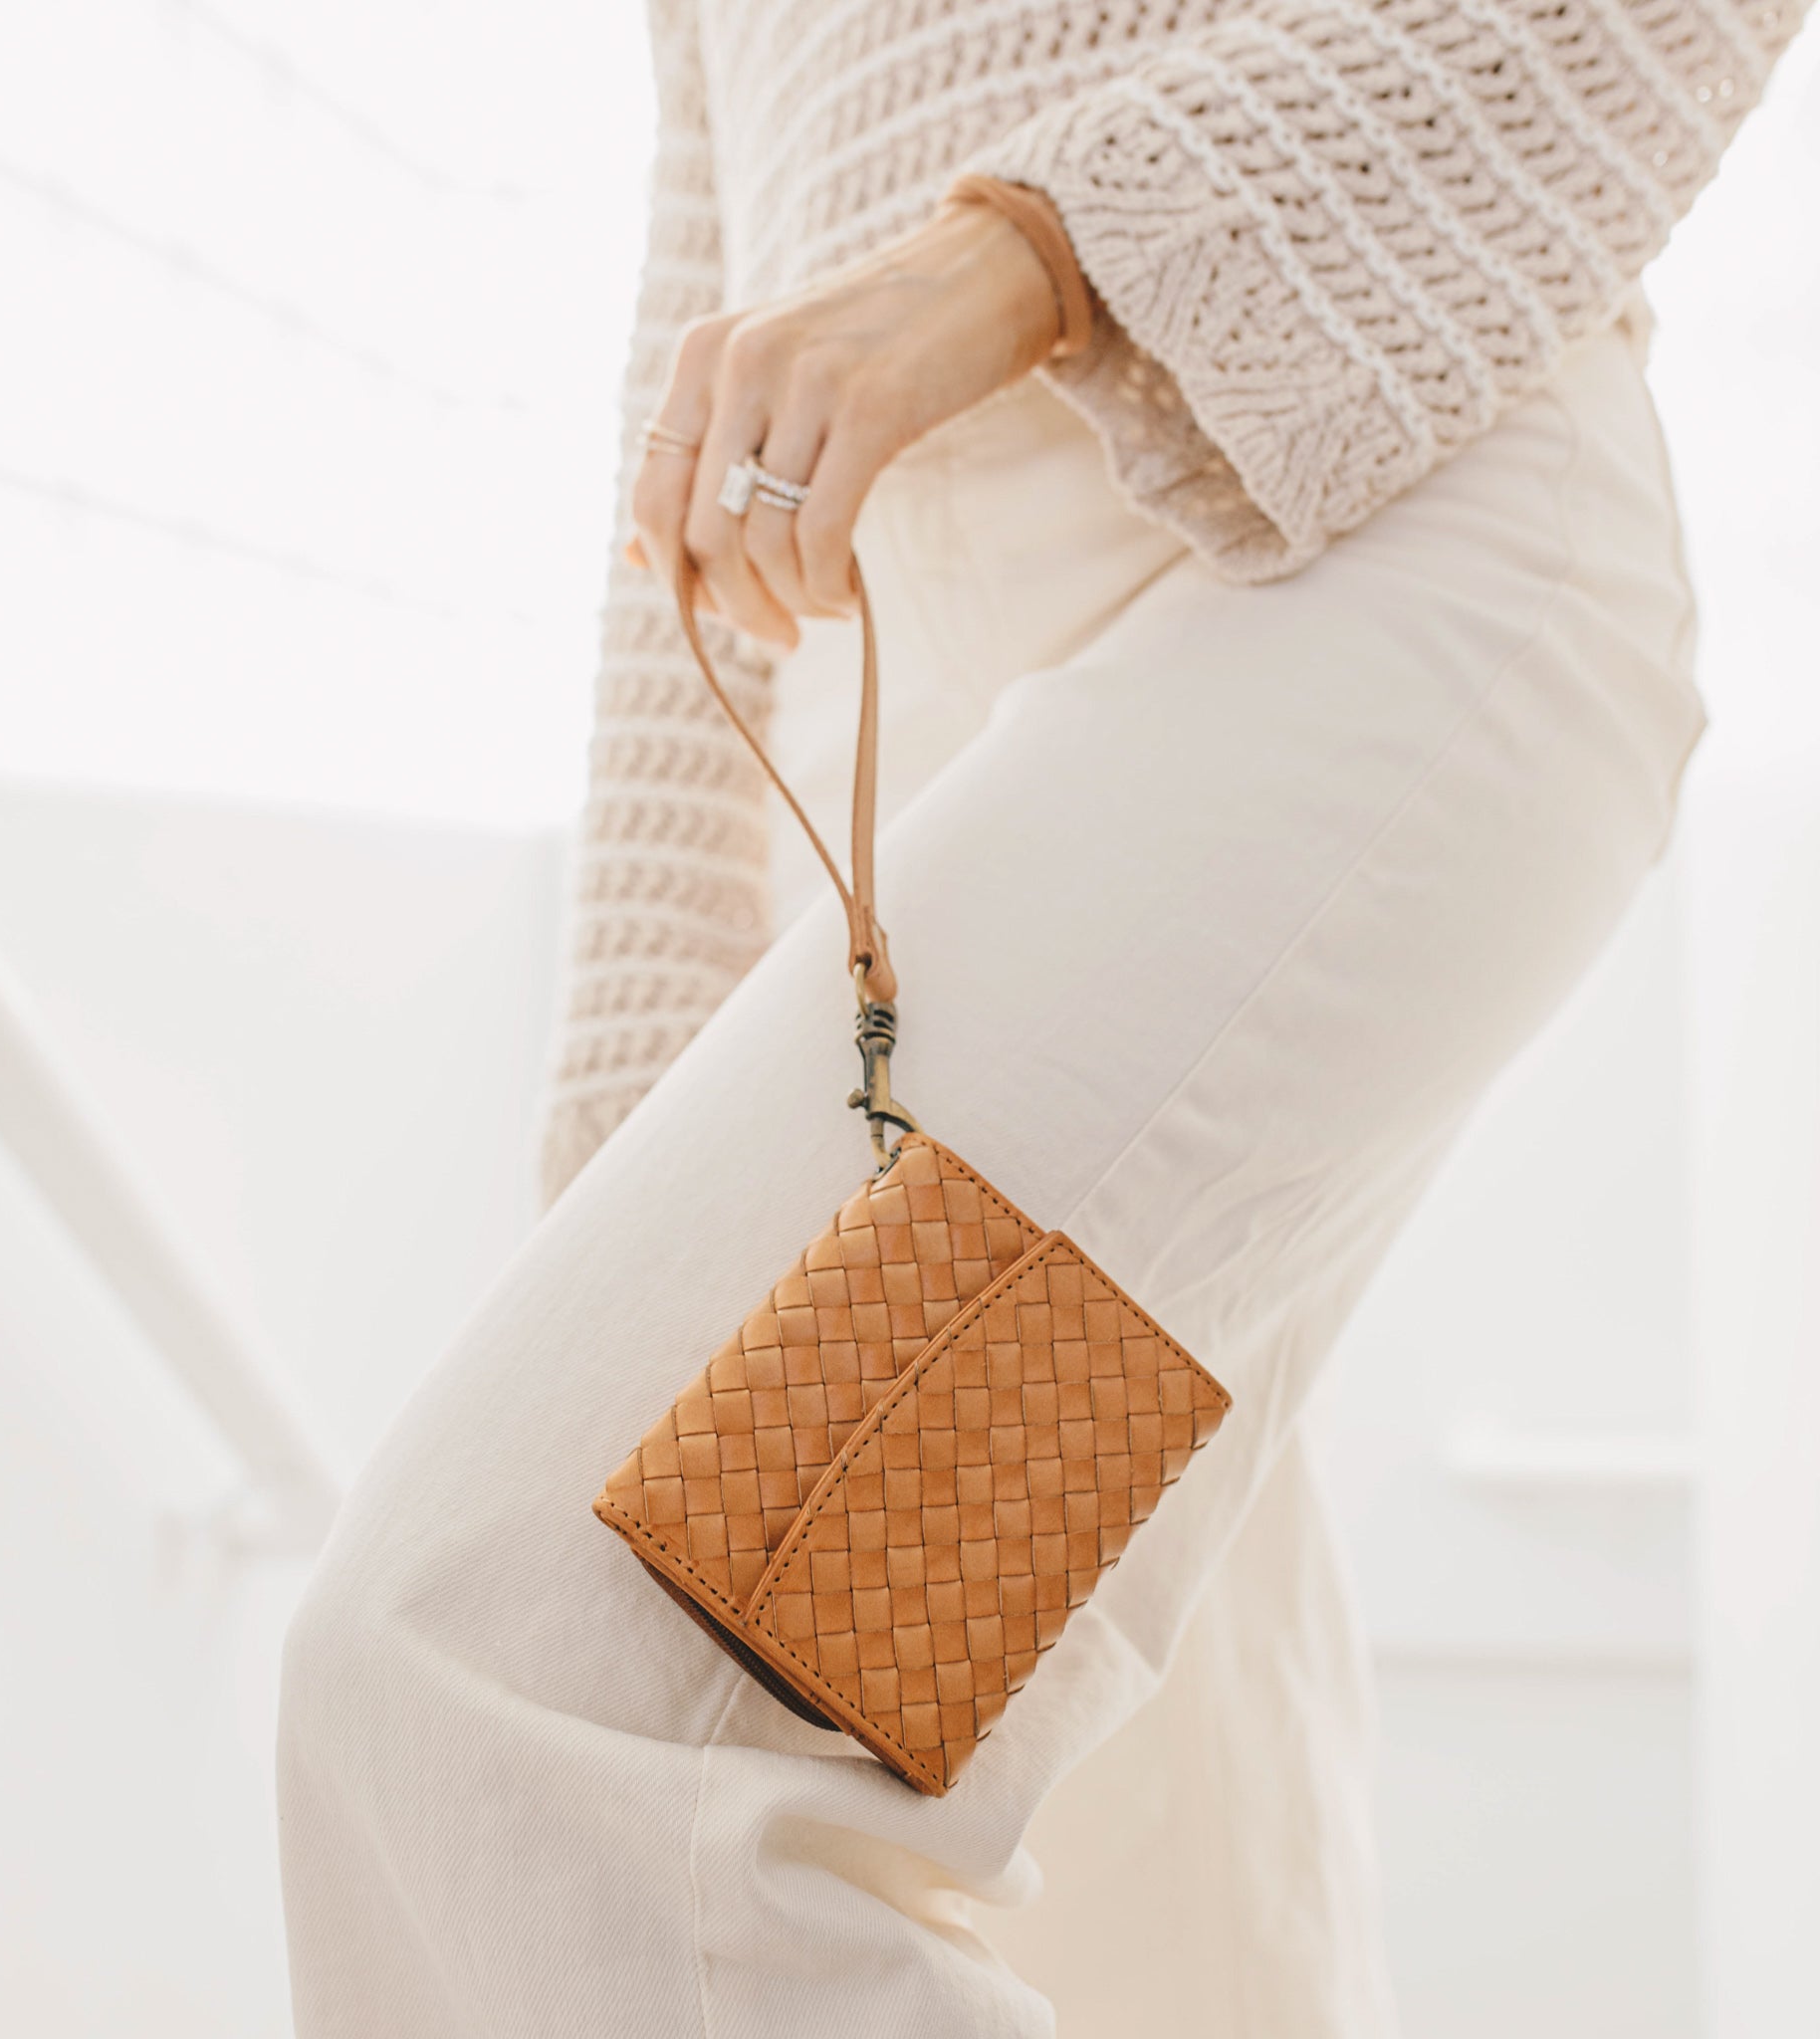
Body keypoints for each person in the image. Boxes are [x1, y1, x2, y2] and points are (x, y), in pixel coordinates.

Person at [277, 1, 1804, 2032]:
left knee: (566, 1707)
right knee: (1139, 1890)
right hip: (896, 690)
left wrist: (1026, 245)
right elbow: (712, 245)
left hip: (1334, 543)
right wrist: (639, 1073)